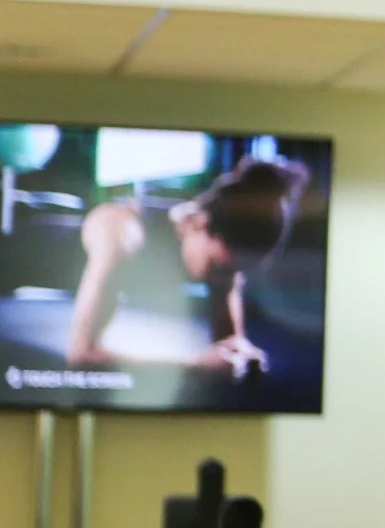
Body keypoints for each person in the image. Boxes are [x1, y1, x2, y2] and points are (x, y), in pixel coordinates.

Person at [65, 153, 309, 374]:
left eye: (237, 272)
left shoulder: (219, 251)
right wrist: (194, 366)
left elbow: (227, 344)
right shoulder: (122, 233)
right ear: (196, 224)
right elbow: (82, 354)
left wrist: (241, 353)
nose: (223, 280)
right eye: (219, 267)